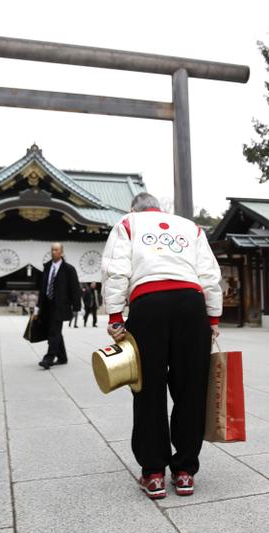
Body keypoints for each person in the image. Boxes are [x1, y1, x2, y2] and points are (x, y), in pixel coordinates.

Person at [102, 192, 222, 500]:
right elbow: (209, 275)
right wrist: (213, 319)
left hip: (148, 303)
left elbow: (116, 269)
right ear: (159, 209)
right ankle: (184, 471)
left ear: (135, 209)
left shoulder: (128, 224)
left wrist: (116, 315)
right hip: (191, 303)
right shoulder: (190, 227)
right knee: (190, 388)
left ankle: (153, 473)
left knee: (148, 387)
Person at [35, 242, 81, 369]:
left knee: (53, 332)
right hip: (47, 306)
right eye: (52, 250)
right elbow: (43, 287)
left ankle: (49, 358)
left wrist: (76, 307)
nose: (53, 252)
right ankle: (62, 357)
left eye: (56, 250)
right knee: (55, 332)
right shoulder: (47, 266)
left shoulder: (69, 269)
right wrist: (38, 306)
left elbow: (75, 288)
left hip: (60, 306)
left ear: (61, 252)